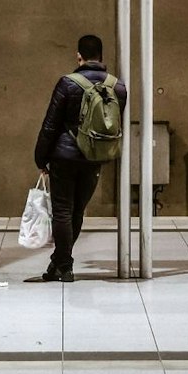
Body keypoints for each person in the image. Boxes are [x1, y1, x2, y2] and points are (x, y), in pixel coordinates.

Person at [29, 34, 127, 283]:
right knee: (77, 212)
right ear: (101, 56)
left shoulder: (67, 83)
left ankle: (64, 265)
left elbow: (50, 125)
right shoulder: (118, 87)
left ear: (79, 56)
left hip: (64, 156)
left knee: (62, 211)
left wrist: (41, 158)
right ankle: (59, 264)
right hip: (95, 157)